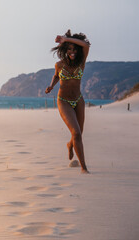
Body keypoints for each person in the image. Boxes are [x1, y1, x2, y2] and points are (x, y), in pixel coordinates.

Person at [45, 30, 90, 173]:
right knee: (76, 133)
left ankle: (70, 145)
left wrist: (66, 39)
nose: (73, 52)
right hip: (63, 101)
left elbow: (85, 44)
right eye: (69, 49)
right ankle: (84, 168)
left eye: (75, 49)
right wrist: (51, 85)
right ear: (65, 50)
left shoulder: (82, 62)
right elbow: (56, 76)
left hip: (78, 100)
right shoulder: (59, 65)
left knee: (78, 134)